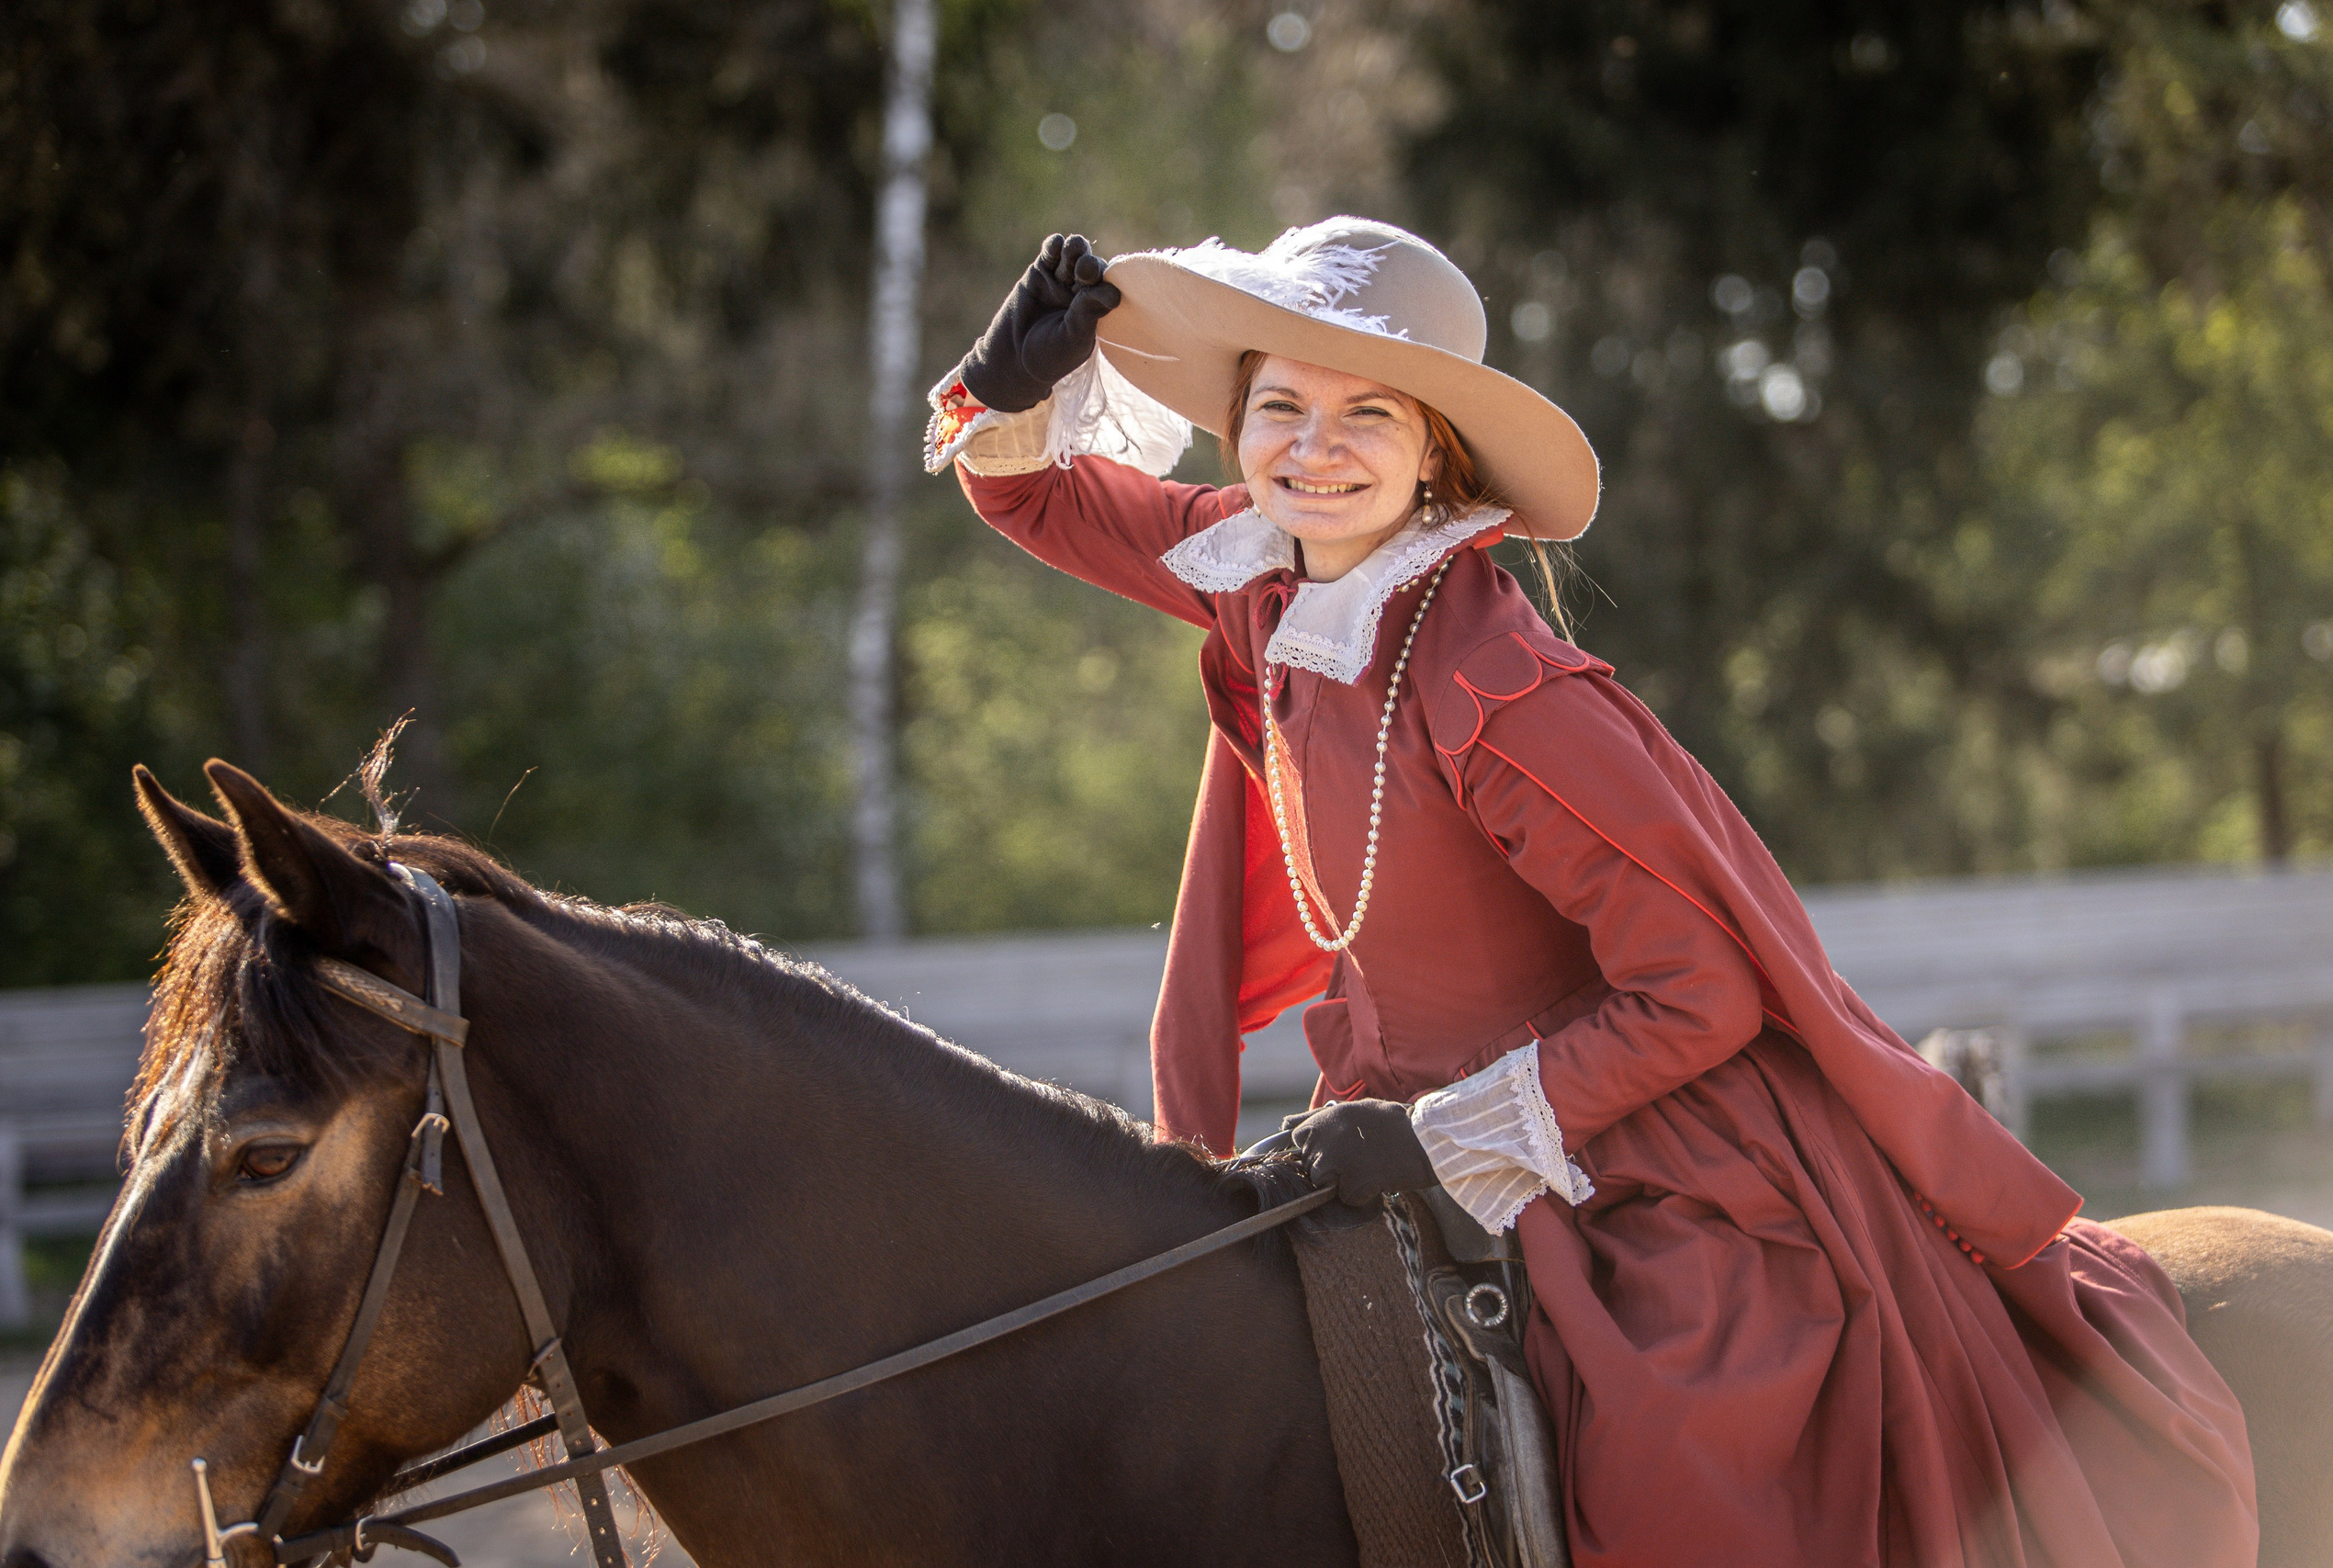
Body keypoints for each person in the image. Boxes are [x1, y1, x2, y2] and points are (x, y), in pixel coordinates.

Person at [925, 220, 2257, 1565]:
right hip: (1387, 1120)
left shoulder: (1500, 700)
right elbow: (1038, 498)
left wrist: (1445, 1137)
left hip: (1628, 1144)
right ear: (1237, 427)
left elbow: (1700, 992)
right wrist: (1008, 382)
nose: (1313, 450)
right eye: (1282, 407)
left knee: (1675, 1474)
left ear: (1438, 454)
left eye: (1365, 416)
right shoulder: (1257, 575)